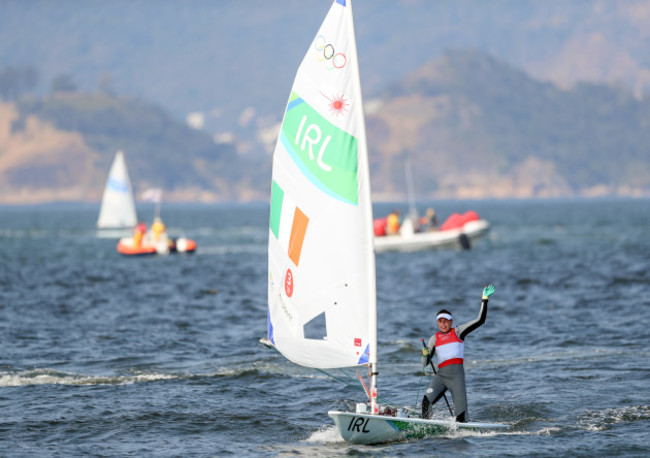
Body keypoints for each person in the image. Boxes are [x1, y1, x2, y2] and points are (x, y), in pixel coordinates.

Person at [420, 284, 495, 422]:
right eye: (440, 321)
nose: (443, 324)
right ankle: (426, 426)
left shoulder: (459, 331)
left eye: (446, 321)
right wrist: (425, 354)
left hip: (456, 379)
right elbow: (425, 364)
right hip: (441, 377)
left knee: (461, 417)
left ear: (451, 321)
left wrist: (484, 299)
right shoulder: (434, 339)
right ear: (437, 323)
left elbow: (480, 320)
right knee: (425, 403)